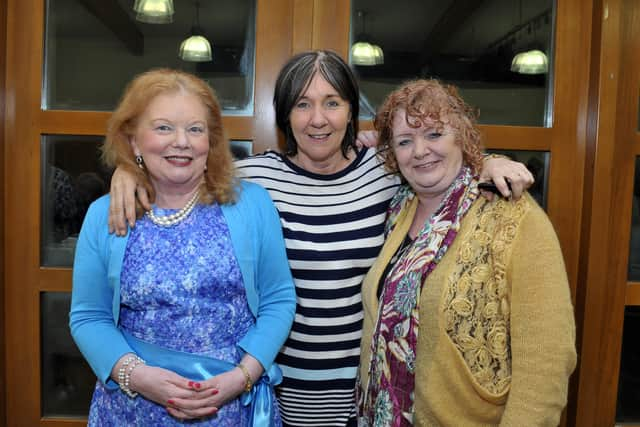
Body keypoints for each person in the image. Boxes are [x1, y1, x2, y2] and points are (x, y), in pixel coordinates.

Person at [107, 51, 534, 427]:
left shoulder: (385, 171)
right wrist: (129, 170)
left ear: (351, 111)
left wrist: (488, 162)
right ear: (285, 115)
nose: (318, 118)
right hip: (275, 388)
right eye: (303, 104)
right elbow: (182, 175)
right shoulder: (255, 180)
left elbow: (437, 161)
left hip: (366, 391)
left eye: (332, 102)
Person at [70, 68, 296, 426]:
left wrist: (243, 377)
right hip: (133, 409)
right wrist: (139, 377)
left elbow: (279, 299)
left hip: (232, 406)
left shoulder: (252, 204)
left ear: (212, 141)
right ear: (133, 141)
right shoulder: (105, 215)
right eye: (163, 127)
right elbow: (88, 316)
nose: (182, 142)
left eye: (195, 129)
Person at [357, 79, 576, 426]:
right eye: (404, 141)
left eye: (434, 134)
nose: (419, 151)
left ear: (462, 135)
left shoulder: (513, 215)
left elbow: (546, 363)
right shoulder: (399, 210)